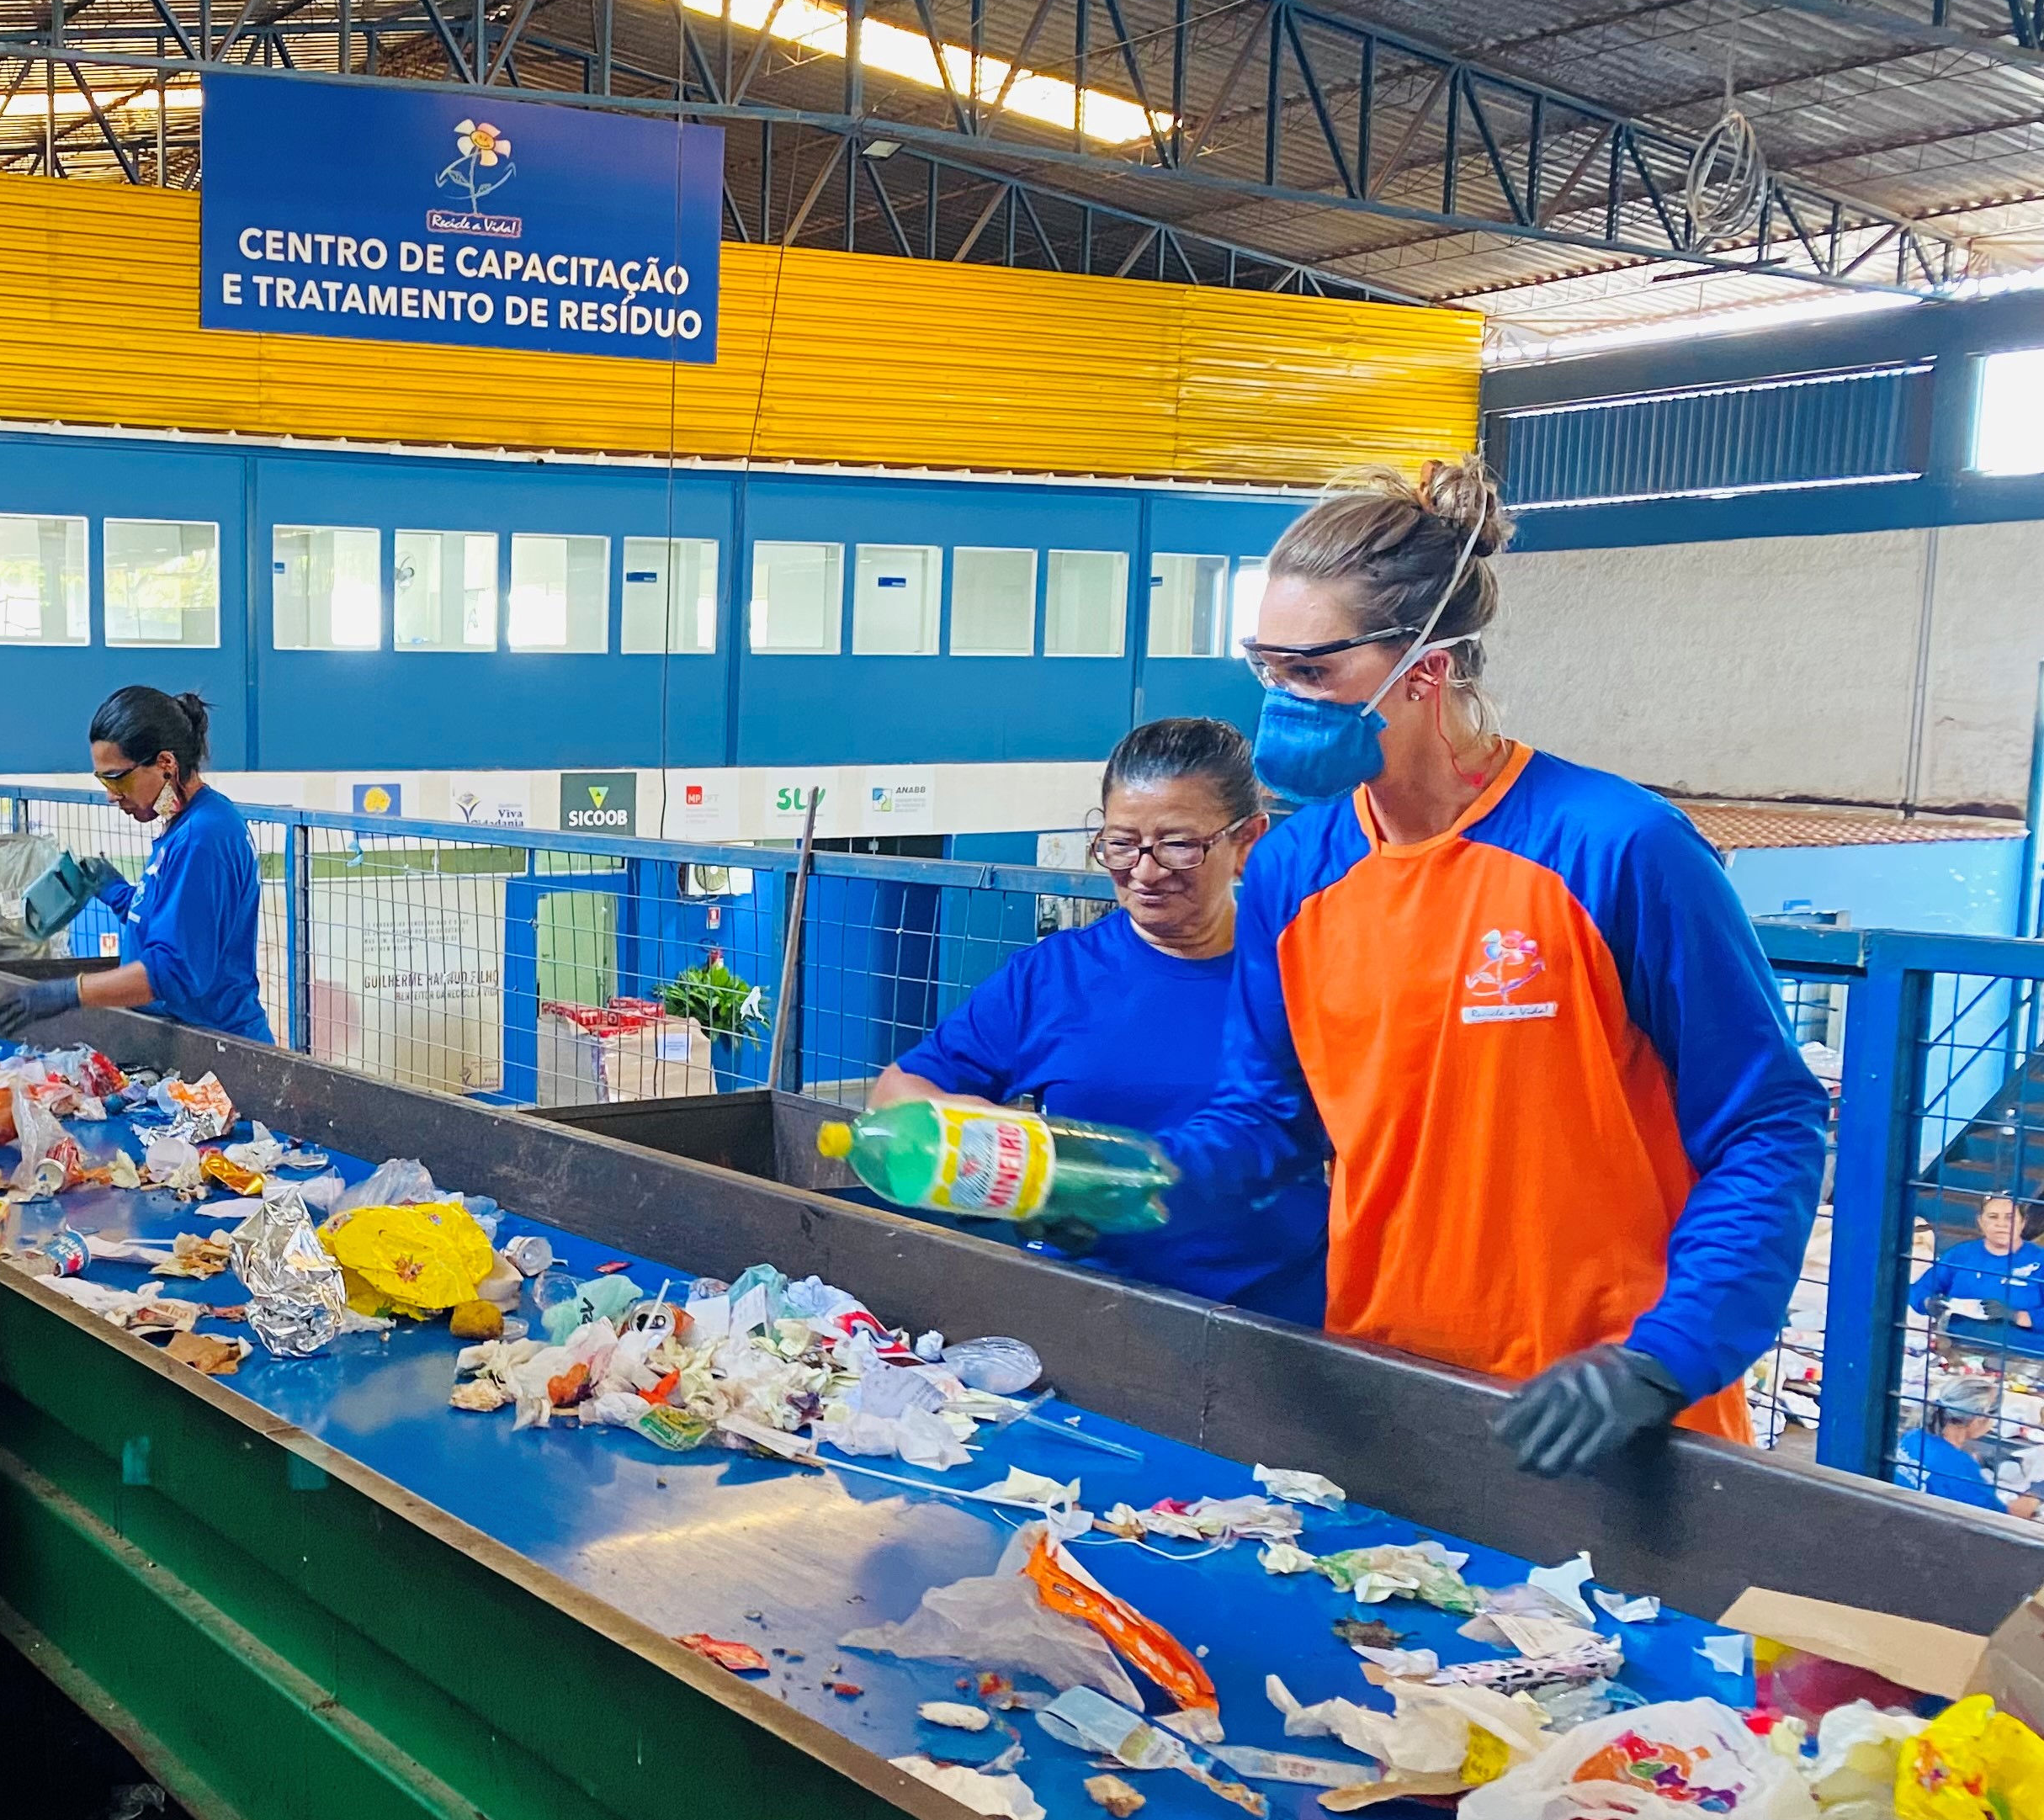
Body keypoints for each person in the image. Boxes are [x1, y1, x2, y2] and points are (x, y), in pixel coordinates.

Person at [1160, 458, 1829, 1479]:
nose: (1279, 702)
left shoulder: (1616, 850)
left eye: (1309, 673)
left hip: (1610, 1419)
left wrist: (1668, 1356)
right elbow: (1268, 1119)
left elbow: (1768, 1124)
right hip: (1395, 1399)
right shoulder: (1296, 869)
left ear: (1423, 668)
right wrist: (1129, 1180)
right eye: (1266, 667)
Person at [865, 719, 1326, 1323]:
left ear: (1249, 841)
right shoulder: (1053, 978)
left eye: (1179, 844)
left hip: (1274, 1319)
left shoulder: (1305, 976)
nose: (1146, 870)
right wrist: (981, 1128)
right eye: (1121, 843)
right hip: (1094, 1314)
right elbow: (895, 1093)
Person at [0, 687, 270, 1045]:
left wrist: (71, 993)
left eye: (117, 778)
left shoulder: (203, 836)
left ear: (166, 763)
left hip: (221, 1046)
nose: (111, 795)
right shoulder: (183, 825)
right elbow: (173, 922)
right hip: (192, 1037)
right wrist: (115, 891)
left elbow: (174, 971)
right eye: (103, 780)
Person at [1893, 1375, 2038, 1518]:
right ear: (1976, 1421)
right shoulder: (1960, 1467)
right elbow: (2000, 1519)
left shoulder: (1913, 1436)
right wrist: (2035, 1496)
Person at [1910, 1193, 2044, 1334]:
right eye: (1993, 1217)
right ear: (1980, 1222)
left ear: (2023, 1222)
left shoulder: (2039, 1259)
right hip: (1956, 1344)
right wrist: (1928, 1303)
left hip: (2022, 1349)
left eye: (2010, 1217)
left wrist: (2015, 1316)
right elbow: (1920, 1288)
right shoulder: (1960, 1255)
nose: (2001, 1224)